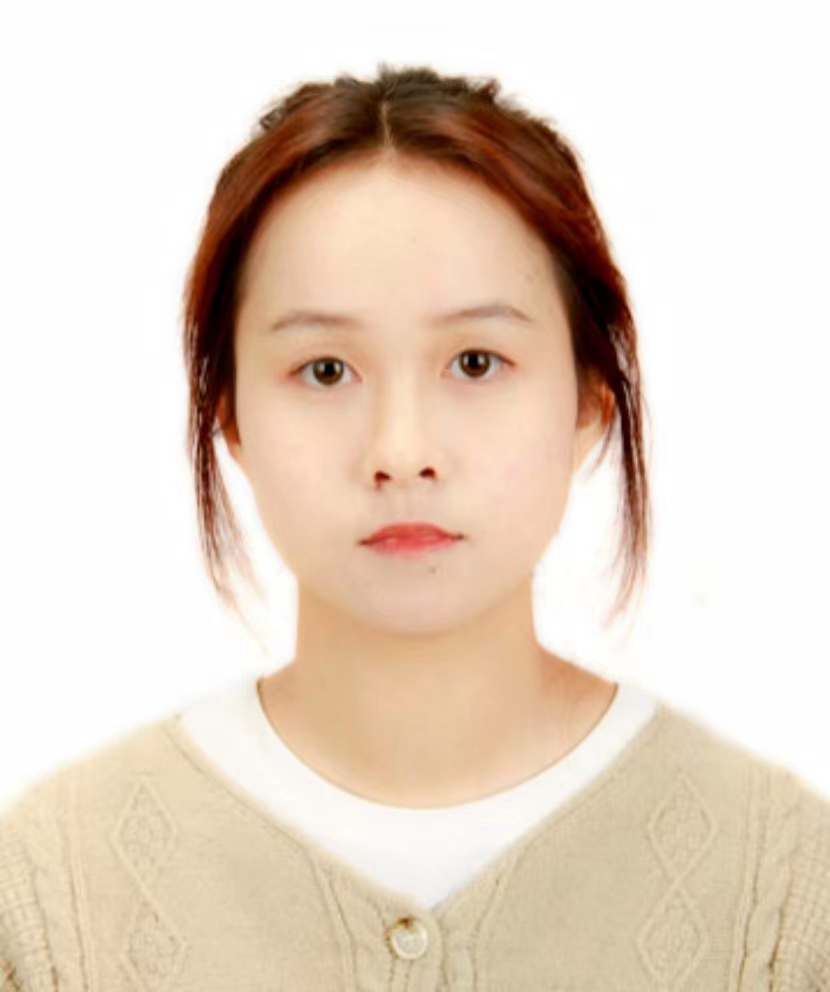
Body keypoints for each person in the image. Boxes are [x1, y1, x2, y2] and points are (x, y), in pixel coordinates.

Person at [2, 63, 828, 990]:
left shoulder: (783, 889)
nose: (401, 452)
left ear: (590, 402)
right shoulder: (57, 893)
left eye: (476, 362)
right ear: (229, 414)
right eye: (324, 370)